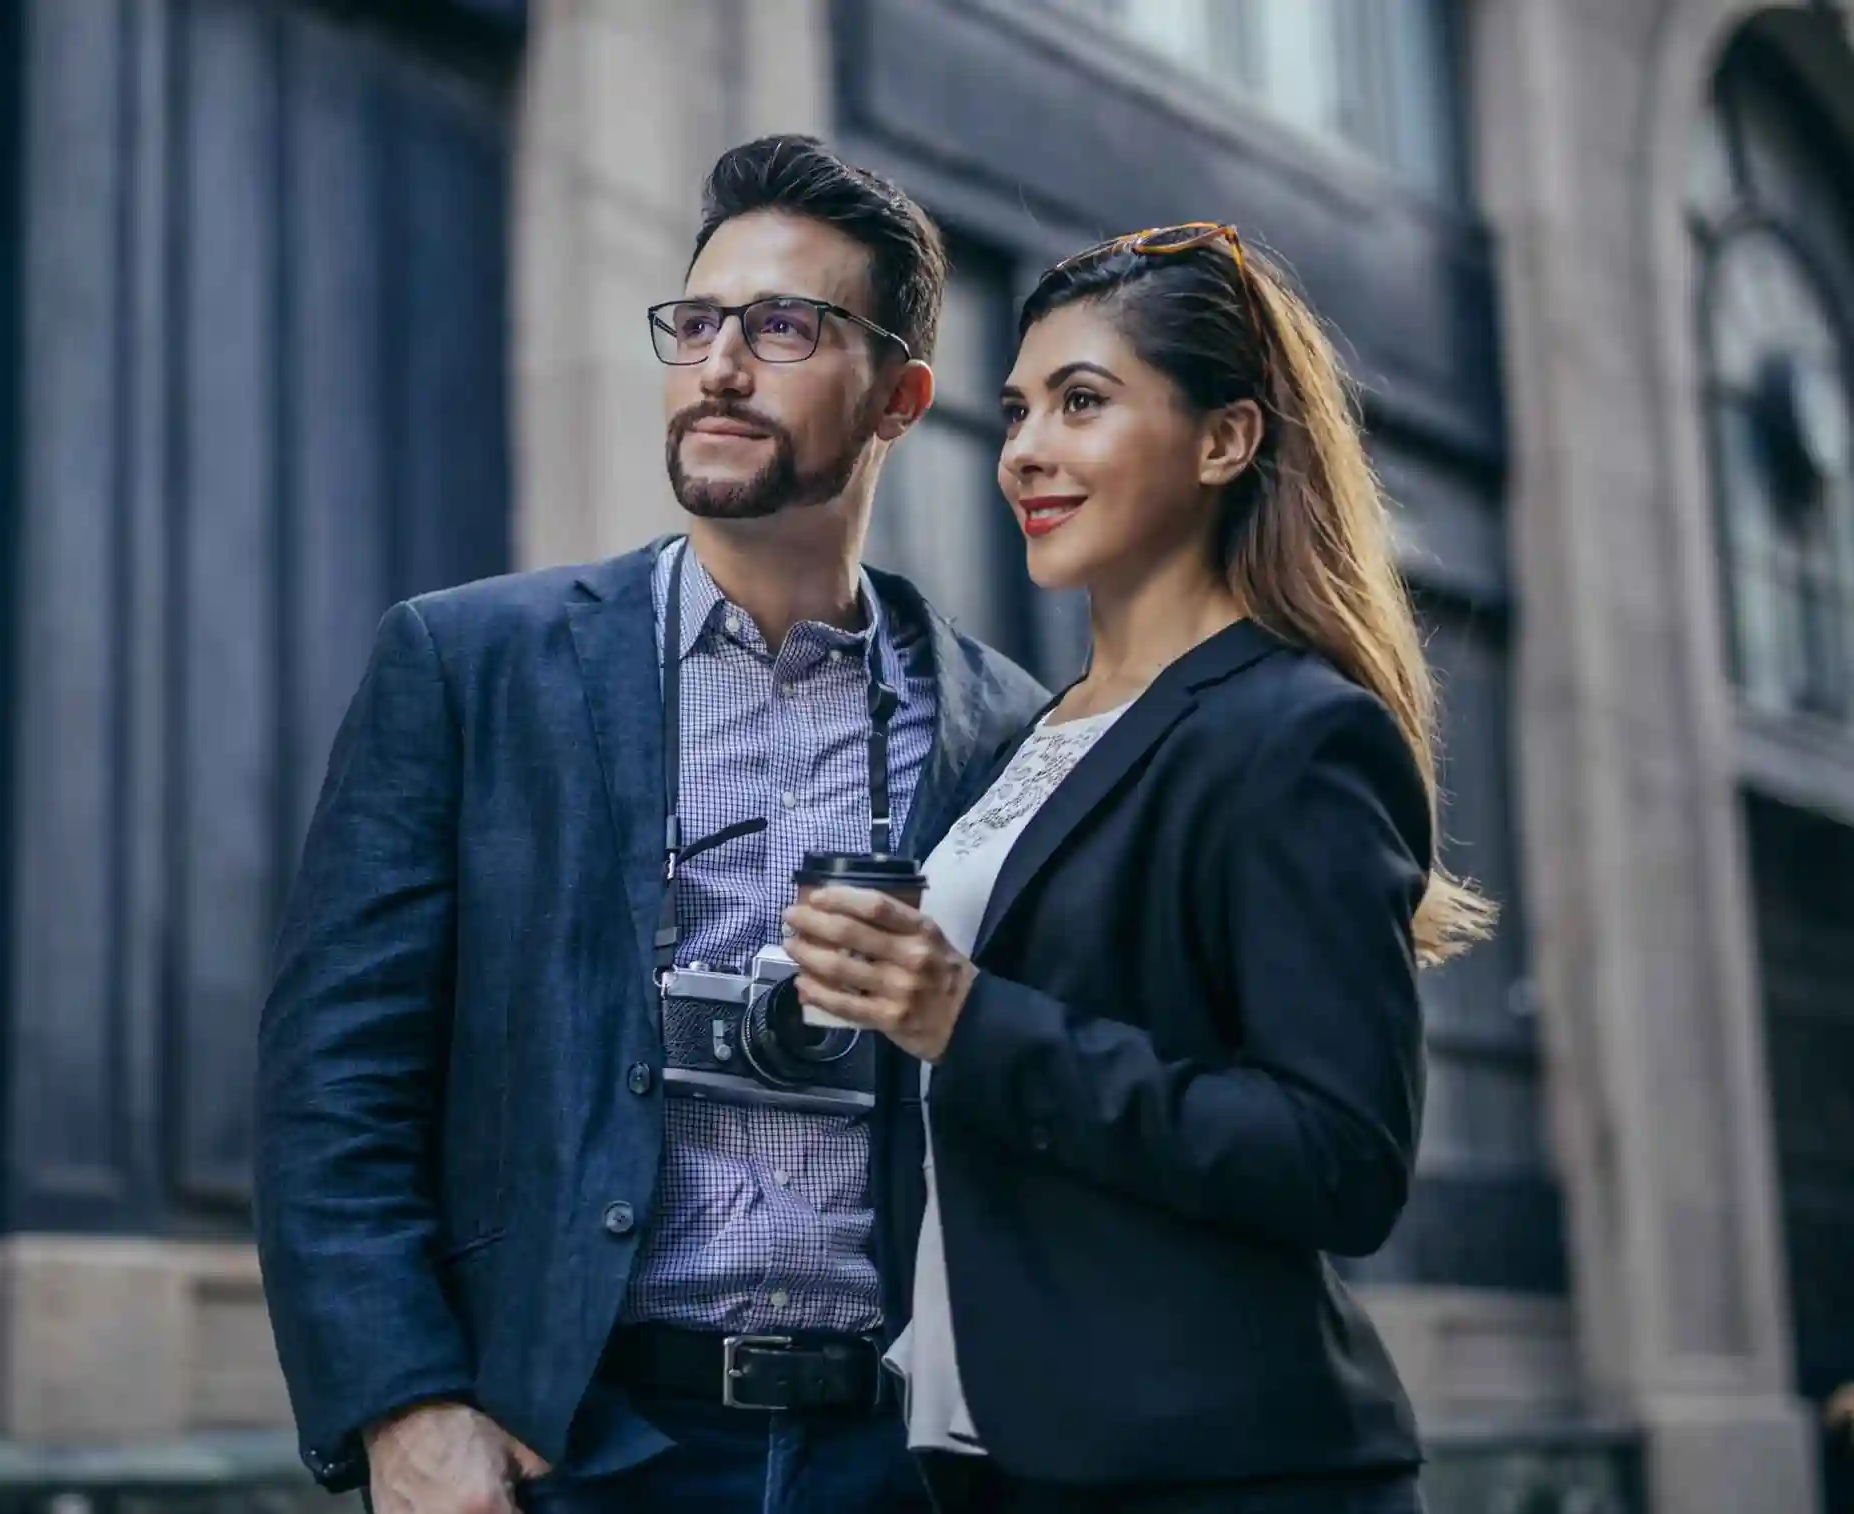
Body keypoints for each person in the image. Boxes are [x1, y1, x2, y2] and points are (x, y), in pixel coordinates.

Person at [253, 135, 1047, 1514]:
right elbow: (334, 1083)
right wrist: (403, 1406)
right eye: (697, 322)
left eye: (785, 325)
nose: (722, 367)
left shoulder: (1006, 728)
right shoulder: (469, 664)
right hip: (574, 1449)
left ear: (900, 398)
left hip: (897, 1461)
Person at [782, 222, 1498, 1513]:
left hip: (1212, 1472)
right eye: (1015, 412)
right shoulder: (1034, 733)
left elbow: (1340, 1157)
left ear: (1225, 440)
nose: (1026, 452)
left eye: (1083, 402)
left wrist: (965, 1015)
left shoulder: (1297, 728)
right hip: (988, 1456)